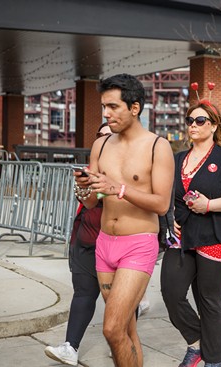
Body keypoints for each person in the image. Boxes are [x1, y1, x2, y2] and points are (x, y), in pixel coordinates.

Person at [74, 73, 174, 367]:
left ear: (135, 107)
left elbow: (161, 203)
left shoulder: (158, 146)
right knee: (127, 329)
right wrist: (83, 188)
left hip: (138, 245)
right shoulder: (101, 146)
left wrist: (118, 188)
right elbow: (92, 201)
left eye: (113, 106)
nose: (106, 113)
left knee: (111, 328)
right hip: (104, 245)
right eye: (104, 106)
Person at [161, 100, 221, 367]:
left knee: (209, 299)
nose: (193, 125)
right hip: (183, 235)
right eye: (189, 120)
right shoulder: (177, 159)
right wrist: (168, 219)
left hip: (218, 233)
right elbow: (167, 196)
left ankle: (214, 360)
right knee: (171, 292)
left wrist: (209, 205)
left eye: (200, 121)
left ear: (213, 126)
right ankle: (197, 342)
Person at [45, 122, 111, 366]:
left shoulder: (127, 169)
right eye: (100, 135)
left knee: (120, 302)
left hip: (114, 245)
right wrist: (85, 186)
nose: (103, 140)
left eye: (109, 136)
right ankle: (70, 347)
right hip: (85, 241)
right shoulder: (88, 170)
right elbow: (87, 201)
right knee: (83, 293)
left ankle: (123, 342)